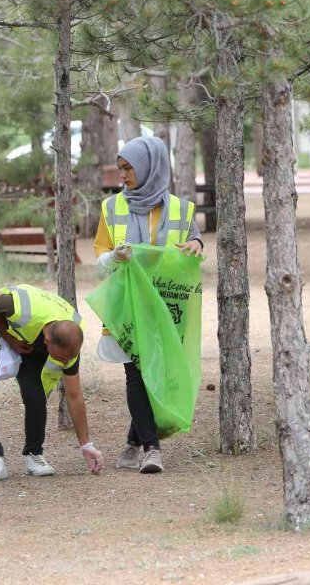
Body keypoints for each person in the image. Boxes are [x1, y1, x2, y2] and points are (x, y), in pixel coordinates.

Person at [93, 135, 203, 474]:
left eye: (128, 169)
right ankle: (151, 449)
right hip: (125, 306)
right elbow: (99, 260)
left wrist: (197, 244)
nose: (123, 176)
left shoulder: (182, 209)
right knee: (135, 375)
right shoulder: (111, 209)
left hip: (164, 307)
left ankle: (131, 443)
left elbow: (193, 241)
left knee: (152, 373)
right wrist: (114, 256)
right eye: (121, 168)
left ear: (150, 168)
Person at [0, 284, 104, 483]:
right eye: (61, 358)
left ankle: (34, 455)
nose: (64, 363)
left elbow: (74, 394)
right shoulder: (21, 310)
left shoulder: (70, 339)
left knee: (34, 393)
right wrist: (7, 336)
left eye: (67, 359)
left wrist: (86, 445)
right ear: (47, 341)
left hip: (26, 336)